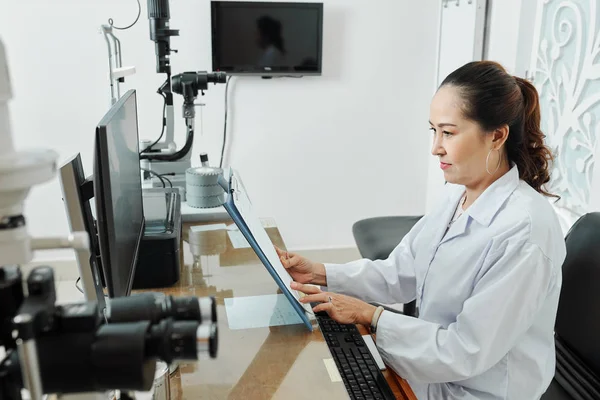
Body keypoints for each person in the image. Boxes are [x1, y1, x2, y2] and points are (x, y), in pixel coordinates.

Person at [276, 61, 566, 399]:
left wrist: (373, 316)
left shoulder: (524, 233)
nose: (436, 147)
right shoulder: (459, 194)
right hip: (432, 374)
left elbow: (466, 350)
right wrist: (320, 272)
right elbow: (403, 270)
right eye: (434, 131)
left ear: (497, 136)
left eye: (449, 132)